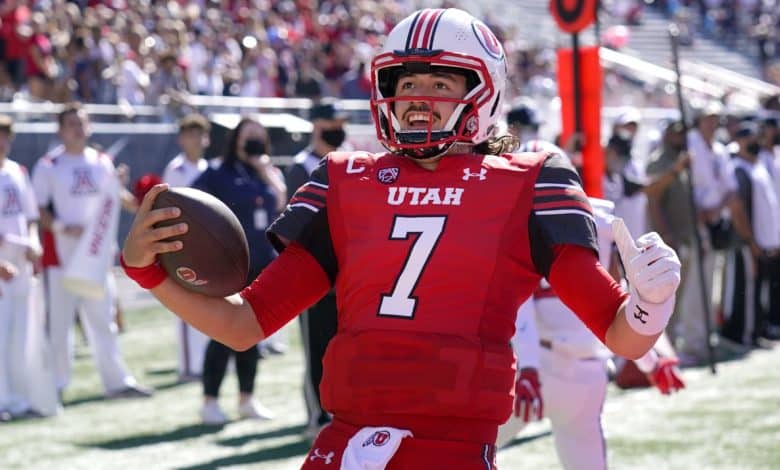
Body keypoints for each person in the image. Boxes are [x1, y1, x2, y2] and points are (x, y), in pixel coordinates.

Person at [121, 9, 681, 468]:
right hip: (343, 444)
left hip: (451, 450)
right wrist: (147, 271)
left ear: (482, 93)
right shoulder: (344, 179)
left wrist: (650, 305)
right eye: (407, 82)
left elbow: (622, 336)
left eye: (439, 82)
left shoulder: (529, 181)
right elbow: (244, 324)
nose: (417, 97)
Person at [495, 139, 685, 470]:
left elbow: (621, 305)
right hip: (554, 364)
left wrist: (651, 359)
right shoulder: (593, 221)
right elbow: (524, 304)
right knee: (464, 450)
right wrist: (650, 362)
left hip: (575, 368)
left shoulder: (602, 223)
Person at [31, 103, 152, 401]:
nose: (77, 129)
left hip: (96, 257)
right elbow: (38, 209)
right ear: (60, 130)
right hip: (62, 258)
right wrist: (61, 227)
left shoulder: (101, 161)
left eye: (81, 123)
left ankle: (117, 381)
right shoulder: (49, 165)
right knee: (59, 325)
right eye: (71, 124)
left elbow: (118, 198)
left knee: (103, 320)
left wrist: (137, 200)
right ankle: (56, 385)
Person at [190, 116, 285, 425]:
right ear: (236, 140)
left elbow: (281, 205)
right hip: (229, 266)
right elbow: (193, 202)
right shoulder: (218, 172)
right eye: (248, 135)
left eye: (259, 135)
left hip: (261, 264)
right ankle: (210, 401)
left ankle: (247, 398)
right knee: (223, 332)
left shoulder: (266, 172)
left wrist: (265, 171)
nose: (254, 141)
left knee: (252, 333)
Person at [287, 100, 348, 439]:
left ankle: (340, 411)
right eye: (331, 123)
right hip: (315, 274)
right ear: (316, 126)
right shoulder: (302, 167)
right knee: (317, 349)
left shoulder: (350, 162)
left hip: (348, 274)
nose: (338, 129)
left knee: (344, 348)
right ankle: (318, 416)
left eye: (340, 123)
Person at [161, 113, 211, 382]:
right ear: (181, 139)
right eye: (190, 134)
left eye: (199, 134)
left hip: (207, 244)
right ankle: (189, 366)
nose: (196, 140)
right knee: (185, 306)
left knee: (209, 303)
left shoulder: (209, 168)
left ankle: (207, 361)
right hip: (183, 245)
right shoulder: (176, 170)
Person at [0, 114, 43, 420]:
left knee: (20, 335)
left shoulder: (17, 171)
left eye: (6, 136)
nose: (2, 142)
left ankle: (18, 400)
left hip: (20, 264)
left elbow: (30, 217)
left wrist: (34, 243)